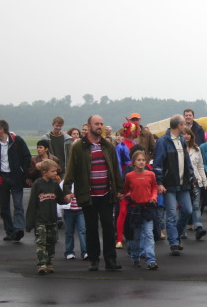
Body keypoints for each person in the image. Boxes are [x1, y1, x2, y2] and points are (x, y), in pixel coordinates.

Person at [63, 115, 125, 272]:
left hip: (106, 194)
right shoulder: (79, 147)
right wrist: (67, 189)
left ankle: (110, 260)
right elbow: (71, 169)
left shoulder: (107, 146)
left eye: (101, 124)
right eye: (97, 124)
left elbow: (115, 169)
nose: (99, 126)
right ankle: (94, 260)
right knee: (91, 228)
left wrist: (119, 189)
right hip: (88, 195)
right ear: (89, 126)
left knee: (108, 227)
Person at [153, 114, 195, 256]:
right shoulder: (163, 141)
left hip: (183, 183)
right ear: (179, 126)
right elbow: (157, 163)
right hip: (169, 183)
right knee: (171, 214)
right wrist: (159, 182)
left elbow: (186, 159)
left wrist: (191, 175)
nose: (186, 126)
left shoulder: (182, 139)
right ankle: (173, 243)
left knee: (187, 211)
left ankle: (175, 236)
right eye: (184, 124)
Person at [0, 119, 32, 242]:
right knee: (4, 207)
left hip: (15, 177)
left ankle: (18, 228)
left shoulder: (17, 141)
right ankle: (9, 231)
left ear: (2, 130)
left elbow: (27, 156)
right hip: (2, 178)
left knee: (18, 204)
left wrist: (24, 172)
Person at [25, 159, 65, 275]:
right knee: (41, 243)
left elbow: (60, 199)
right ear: (45, 172)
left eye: (56, 171)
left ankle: (49, 262)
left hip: (52, 220)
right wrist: (29, 223)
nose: (55, 173)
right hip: (40, 220)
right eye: (53, 171)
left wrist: (67, 198)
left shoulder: (55, 185)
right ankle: (41, 264)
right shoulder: (37, 184)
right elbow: (32, 204)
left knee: (51, 242)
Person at [123, 150, 159, 270]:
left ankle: (151, 260)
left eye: (143, 160)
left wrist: (154, 197)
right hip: (135, 210)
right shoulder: (129, 176)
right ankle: (135, 257)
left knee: (148, 234)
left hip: (148, 208)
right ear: (133, 162)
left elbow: (154, 187)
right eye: (139, 160)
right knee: (136, 236)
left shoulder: (150, 174)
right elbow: (126, 189)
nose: (141, 162)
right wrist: (127, 196)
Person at [184, 127, 207, 240]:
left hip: (195, 181)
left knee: (196, 205)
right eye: (184, 134)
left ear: (191, 136)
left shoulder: (196, 149)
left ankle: (198, 227)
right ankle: (182, 230)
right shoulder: (178, 149)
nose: (186, 136)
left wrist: (204, 181)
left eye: (188, 134)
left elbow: (200, 166)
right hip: (182, 182)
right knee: (184, 207)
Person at [57, 177, 87, 260]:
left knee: (82, 230)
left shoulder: (83, 180)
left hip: (80, 210)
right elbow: (59, 197)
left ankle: (85, 251)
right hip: (68, 211)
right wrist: (59, 214)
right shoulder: (64, 182)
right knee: (69, 232)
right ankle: (69, 252)